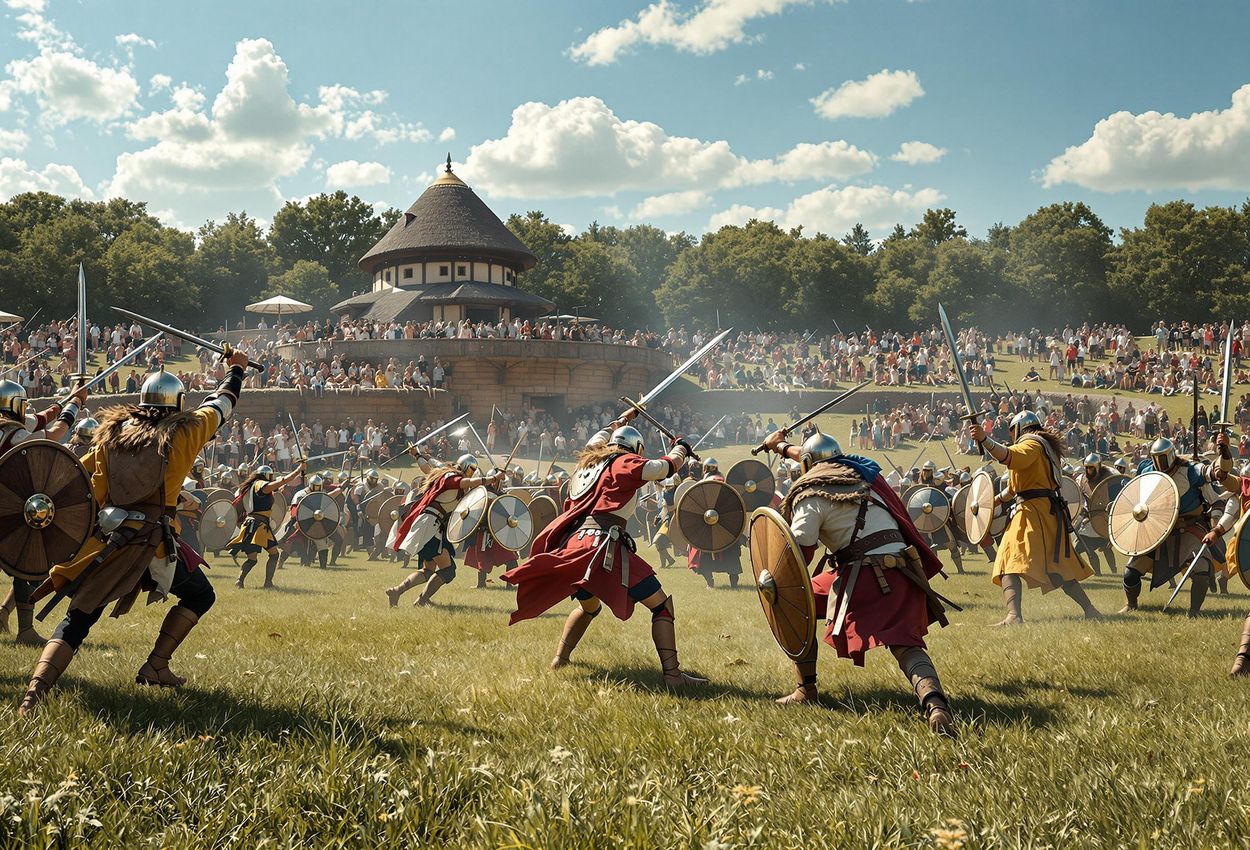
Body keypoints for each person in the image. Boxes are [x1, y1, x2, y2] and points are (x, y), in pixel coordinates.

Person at [18, 356, 248, 715]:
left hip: (111, 541)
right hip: (155, 544)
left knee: (78, 618)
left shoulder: (111, 434)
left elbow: (83, 483)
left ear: (141, 402)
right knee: (200, 595)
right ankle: (155, 665)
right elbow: (222, 403)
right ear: (178, 401)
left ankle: (34, 693)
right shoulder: (185, 430)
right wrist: (236, 367)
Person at [760, 429, 955, 736]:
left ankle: (805, 690)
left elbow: (798, 551)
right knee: (906, 646)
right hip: (903, 571)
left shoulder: (810, 493)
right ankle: (935, 705)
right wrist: (781, 447)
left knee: (795, 601)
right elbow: (814, 457)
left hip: (862, 576)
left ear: (809, 464)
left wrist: (772, 580)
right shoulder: (864, 476)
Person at [501, 411, 705, 688]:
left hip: (577, 544)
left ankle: (560, 660)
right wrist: (681, 447)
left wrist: (618, 422)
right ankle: (673, 677)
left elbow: (595, 441)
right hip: (603, 547)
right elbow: (662, 468)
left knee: (589, 606)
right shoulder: (624, 461)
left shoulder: (587, 464)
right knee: (661, 606)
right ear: (635, 449)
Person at [969, 410, 1103, 625]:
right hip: (1043, 511)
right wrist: (991, 502)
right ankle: (1090, 610)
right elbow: (1014, 489)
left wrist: (984, 439)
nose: (1013, 435)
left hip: (1034, 513)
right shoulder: (1041, 447)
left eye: (1013, 430)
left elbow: (1009, 457)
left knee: (1007, 559)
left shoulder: (1032, 444)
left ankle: (1014, 616)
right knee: (1057, 567)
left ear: (1020, 427)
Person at [0, 379, 87, 646]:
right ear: (17, 404)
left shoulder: (11, 426)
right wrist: (76, 404)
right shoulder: (17, 436)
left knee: (24, 566)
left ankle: (3, 614)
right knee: (28, 563)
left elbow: (41, 418)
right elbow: (55, 433)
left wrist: (65, 400)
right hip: (9, 510)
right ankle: (25, 631)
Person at [1120, 435, 1234, 617]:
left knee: (1201, 570)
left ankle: (1194, 612)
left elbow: (1217, 474)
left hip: (1188, 527)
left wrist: (1224, 452)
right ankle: (1131, 604)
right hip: (1157, 529)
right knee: (1130, 573)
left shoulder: (1190, 470)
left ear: (1171, 455)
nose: (1159, 462)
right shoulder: (1147, 471)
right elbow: (1136, 496)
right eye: (1155, 458)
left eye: (1163, 457)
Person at [386, 454, 504, 606]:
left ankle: (397, 592)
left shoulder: (446, 475)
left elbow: (431, 464)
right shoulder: (452, 479)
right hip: (430, 527)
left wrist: (419, 455)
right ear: (466, 466)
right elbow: (468, 482)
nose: (473, 472)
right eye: (472, 468)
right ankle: (421, 600)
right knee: (448, 570)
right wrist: (494, 478)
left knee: (428, 570)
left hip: (431, 526)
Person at [228, 463, 305, 589]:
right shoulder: (260, 484)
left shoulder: (251, 487)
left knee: (255, 558)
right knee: (270, 556)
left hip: (253, 525)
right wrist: (297, 470)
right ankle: (264, 583)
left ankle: (242, 581)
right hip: (258, 526)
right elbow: (282, 481)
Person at [685, 457, 744, 588]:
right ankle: (733, 584)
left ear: (704, 469)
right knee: (731, 556)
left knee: (702, 553)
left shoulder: (703, 483)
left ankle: (710, 583)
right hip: (728, 526)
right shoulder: (726, 482)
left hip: (708, 524)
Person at [1073, 453, 1118, 576]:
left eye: (1091, 468)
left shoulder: (1110, 479)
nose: (1089, 470)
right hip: (1088, 522)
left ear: (1098, 467)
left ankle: (1114, 572)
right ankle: (1097, 573)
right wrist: (1081, 509)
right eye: (1087, 467)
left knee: (1107, 548)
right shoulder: (1081, 480)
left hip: (1103, 520)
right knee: (1079, 550)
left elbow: (1116, 498)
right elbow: (1079, 498)